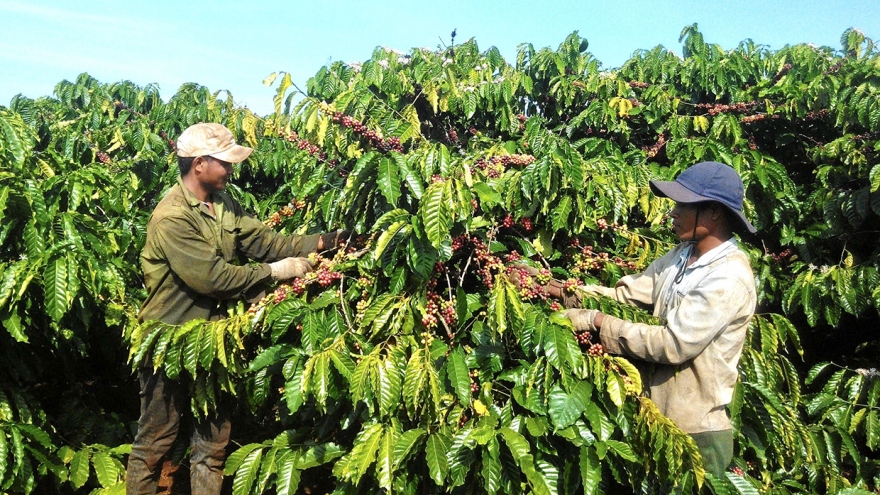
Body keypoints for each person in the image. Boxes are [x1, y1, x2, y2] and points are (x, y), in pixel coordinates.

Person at [126, 123, 347, 495]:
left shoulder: (224, 203)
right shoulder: (172, 216)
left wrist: (327, 241)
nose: (232, 170)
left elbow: (267, 241)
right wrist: (275, 273)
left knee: (212, 444)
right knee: (156, 440)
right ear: (199, 164)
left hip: (216, 340)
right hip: (170, 340)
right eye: (225, 163)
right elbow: (213, 279)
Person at [524, 161, 758, 478]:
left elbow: (674, 345)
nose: (672, 213)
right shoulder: (680, 256)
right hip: (653, 419)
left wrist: (597, 322)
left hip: (695, 433)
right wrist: (554, 288)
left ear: (713, 211)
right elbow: (625, 295)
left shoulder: (728, 276)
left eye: (682, 205)